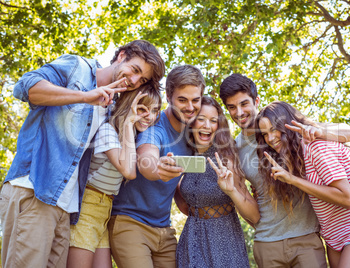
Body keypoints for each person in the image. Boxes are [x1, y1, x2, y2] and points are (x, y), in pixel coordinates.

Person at [0, 40, 165, 268]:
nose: (135, 81)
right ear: (122, 55)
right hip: (35, 189)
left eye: (143, 79)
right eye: (135, 70)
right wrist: (86, 96)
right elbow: (25, 87)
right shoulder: (77, 67)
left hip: (67, 206)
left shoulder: (111, 105)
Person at [219, 73, 350, 268]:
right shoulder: (235, 150)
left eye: (244, 104)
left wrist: (320, 132)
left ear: (256, 101)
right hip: (267, 243)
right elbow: (249, 207)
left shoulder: (285, 126)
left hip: (307, 239)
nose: (239, 112)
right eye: (232, 107)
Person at [256, 101, 350, 268]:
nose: (270, 138)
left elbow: (346, 198)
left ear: (288, 125)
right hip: (334, 236)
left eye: (274, 129)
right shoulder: (295, 156)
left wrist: (293, 180)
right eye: (265, 134)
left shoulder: (314, 146)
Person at [108, 64, 205, 268]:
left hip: (164, 229)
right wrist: (157, 168)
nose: (190, 107)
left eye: (195, 100)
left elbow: (177, 183)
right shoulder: (154, 125)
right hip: (130, 223)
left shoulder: (192, 133)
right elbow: (146, 160)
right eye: (182, 100)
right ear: (168, 97)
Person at [67, 86, 162, 268]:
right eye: (142, 109)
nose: (149, 116)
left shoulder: (132, 136)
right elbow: (129, 172)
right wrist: (127, 123)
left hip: (105, 210)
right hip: (88, 207)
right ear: (129, 106)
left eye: (155, 111)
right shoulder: (108, 131)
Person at [174, 96, 260, 267]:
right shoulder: (186, 154)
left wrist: (231, 192)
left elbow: (254, 216)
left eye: (213, 121)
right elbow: (185, 203)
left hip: (224, 239)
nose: (207, 126)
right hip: (191, 240)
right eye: (201, 119)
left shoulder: (227, 157)